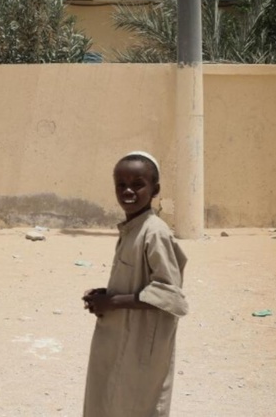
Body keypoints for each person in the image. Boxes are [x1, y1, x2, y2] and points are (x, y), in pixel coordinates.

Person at [82, 151, 188, 416]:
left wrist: (113, 302)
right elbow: (137, 281)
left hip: (143, 342)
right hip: (121, 337)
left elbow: (169, 294)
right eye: (121, 185)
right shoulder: (132, 229)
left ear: (155, 189)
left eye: (138, 184)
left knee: (139, 403)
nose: (128, 191)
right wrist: (105, 295)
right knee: (109, 397)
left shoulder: (155, 232)